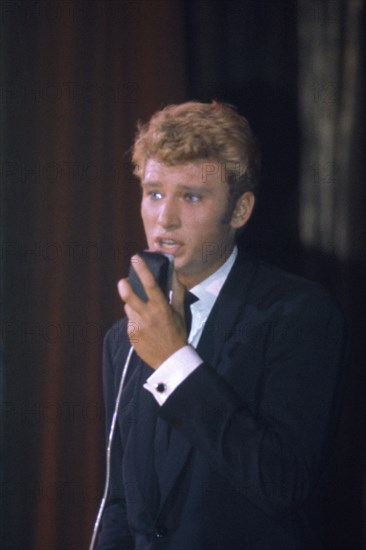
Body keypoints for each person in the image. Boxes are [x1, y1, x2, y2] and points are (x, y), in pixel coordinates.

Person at [96, 101, 347, 550]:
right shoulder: (124, 338)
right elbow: (119, 504)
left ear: (239, 210)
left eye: (190, 196)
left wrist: (174, 360)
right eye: (154, 193)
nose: (164, 219)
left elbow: (281, 481)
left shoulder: (298, 313)